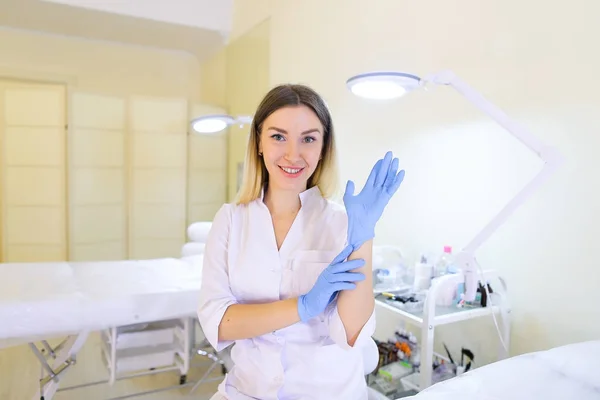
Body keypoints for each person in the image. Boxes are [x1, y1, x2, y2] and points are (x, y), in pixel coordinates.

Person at [197, 83, 405, 400]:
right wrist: (303, 306)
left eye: (308, 139)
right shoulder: (230, 221)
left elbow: (351, 333)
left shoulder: (341, 223)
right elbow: (220, 321)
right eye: (278, 136)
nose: (293, 154)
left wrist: (363, 237)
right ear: (259, 143)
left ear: (323, 148)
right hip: (249, 390)